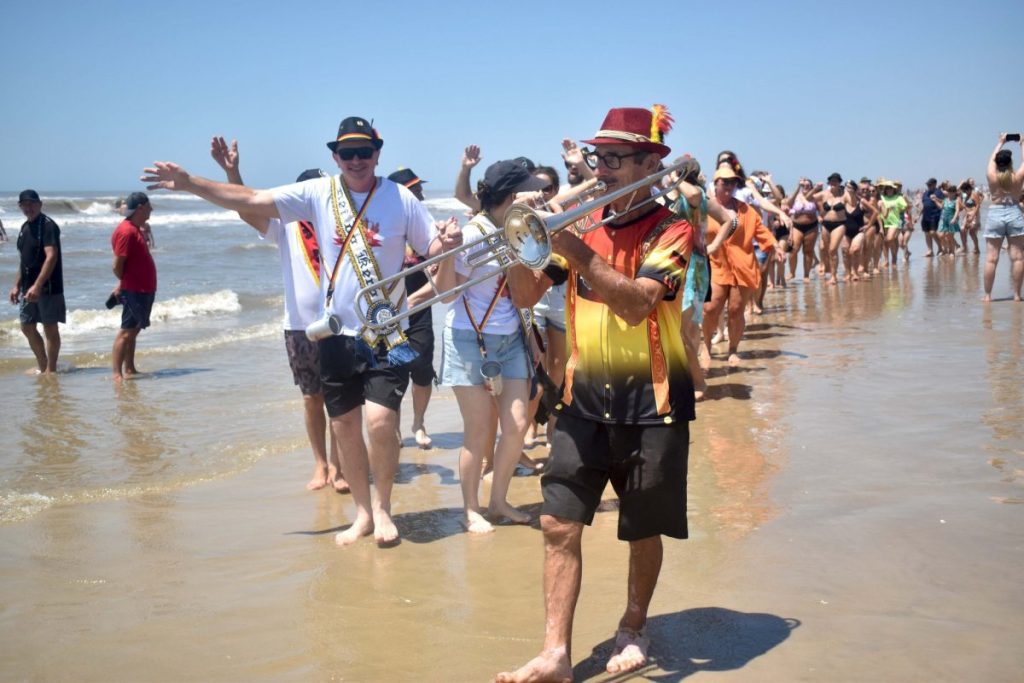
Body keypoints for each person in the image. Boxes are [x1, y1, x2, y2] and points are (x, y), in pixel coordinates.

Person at [141, 116, 462, 546]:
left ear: (377, 153)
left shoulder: (400, 197)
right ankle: (363, 514)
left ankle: (384, 508)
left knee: (380, 420)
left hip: (385, 333)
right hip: (334, 335)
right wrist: (191, 183)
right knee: (343, 425)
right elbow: (252, 200)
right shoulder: (318, 193)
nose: (356, 160)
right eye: (347, 153)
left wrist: (449, 241)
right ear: (335, 157)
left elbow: (432, 249)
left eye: (364, 152)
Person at [499, 105, 696, 680]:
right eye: (597, 157)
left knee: (642, 528)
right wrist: (519, 242)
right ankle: (555, 653)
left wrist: (571, 245)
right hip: (582, 398)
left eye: (613, 159)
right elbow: (524, 295)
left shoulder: (672, 229)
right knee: (557, 524)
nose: (600, 169)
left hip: (653, 402)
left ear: (648, 165)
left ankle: (632, 626)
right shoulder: (582, 226)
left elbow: (636, 304)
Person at [209, 136, 348, 493]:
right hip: (300, 327)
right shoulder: (285, 226)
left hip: (341, 325)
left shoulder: (340, 225)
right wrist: (232, 172)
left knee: (340, 399)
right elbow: (246, 208)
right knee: (311, 398)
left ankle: (339, 465)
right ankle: (320, 464)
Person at [439, 159, 547, 533]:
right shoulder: (473, 234)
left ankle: (498, 501)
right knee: (479, 431)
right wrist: (447, 252)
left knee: (516, 424)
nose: (534, 199)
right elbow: (445, 295)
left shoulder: (517, 229)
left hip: (512, 337)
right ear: (511, 196)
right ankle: (470, 509)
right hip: (470, 339)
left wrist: (531, 338)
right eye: (527, 193)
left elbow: (522, 291)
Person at [703, 166, 783, 366]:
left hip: (743, 265)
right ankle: (706, 346)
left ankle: (733, 349)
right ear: (715, 184)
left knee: (736, 310)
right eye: (725, 182)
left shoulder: (746, 209)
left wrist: (775, 246)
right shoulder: (706, 207)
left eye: (733, 182)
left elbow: (761, 230)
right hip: (716, 264)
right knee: (710, 308)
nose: (729, 186)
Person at [388, 167, 437, 449]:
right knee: (392, 370)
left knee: (421, 368)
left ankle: (418, 422)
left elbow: (441, 264)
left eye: (420, 189)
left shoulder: (426, 224)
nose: (421, 195)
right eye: (415, 190)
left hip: (420, 306)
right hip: (387, 310)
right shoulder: (385, 225)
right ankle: (393, 427)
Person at [8, 190, 65, 374]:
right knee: (26, 327)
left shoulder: (48, 226)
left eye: (32, 203)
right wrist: (17, 285)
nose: (29, 207)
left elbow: (51, 256)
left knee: (50, 328)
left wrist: (38, 285)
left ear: (40, 204)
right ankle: (43, 364)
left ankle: (51, 369)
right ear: (20, 207)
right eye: (25, 204)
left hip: (48, 287)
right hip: (28, 288)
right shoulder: (25, 227)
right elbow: (24, 261)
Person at [110, 192, 157, 381]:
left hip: (142, 289)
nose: (151, 209)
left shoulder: (136, 229)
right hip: (134, 290)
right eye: (149, 206)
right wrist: (125, 283)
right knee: (126, 331)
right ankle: (116, 374)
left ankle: (129, 369)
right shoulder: (127, 231)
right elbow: (117, 265)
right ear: (140, 208)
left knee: (134, 330)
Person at [983, 133, 1024, 302]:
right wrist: (1022, 143)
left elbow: (991, 161)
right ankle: (1017, 295)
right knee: (1018, 257)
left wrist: (1000, 143)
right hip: (1014, 211)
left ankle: (988, 295)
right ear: (1010, 163)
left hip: (996, 213)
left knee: (991, 259)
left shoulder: (992, 176)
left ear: (997, 163)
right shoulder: (1017, 177)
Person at [920, 178, 944, 257]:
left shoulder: (938, 192)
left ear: (934, 184)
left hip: (934, 215)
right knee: (927, 233)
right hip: (925, 216)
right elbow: (924, 205)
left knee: (932, 232)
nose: (928, 186)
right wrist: (918, 215)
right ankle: (930, 250)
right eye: (927, 185)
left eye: (930, 185)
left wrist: (935, 199)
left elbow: (942, 203)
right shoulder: (925, 193)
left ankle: (940, 247)